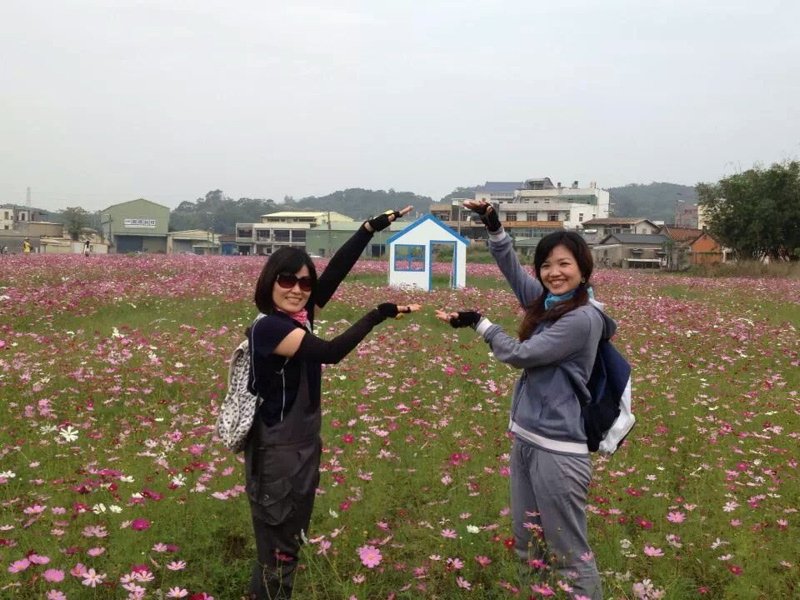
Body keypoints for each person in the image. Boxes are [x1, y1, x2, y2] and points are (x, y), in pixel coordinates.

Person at [435, 201, 612, 600]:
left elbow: (523, 355)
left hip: (560, 450)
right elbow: (513, 273)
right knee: (527, 543)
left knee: (568, 552)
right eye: (546, 265)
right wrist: (494, 226)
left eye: (564, 264)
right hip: (529, 440)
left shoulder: (582, 318)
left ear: (583, 269)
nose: (554, 273)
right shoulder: (551, 304)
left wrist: (482, 324)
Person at [244, 206, 418, 600]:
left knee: (287, 546)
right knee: (279, 551)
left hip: (300, 446)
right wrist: (378, 314)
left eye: (305, 284)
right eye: (287, 280)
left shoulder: (298, 318)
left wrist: (368, 229)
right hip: (279, 453)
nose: (298, 289)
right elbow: (331, 352)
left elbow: (333, 276)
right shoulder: (270, 326)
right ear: (269, 282)